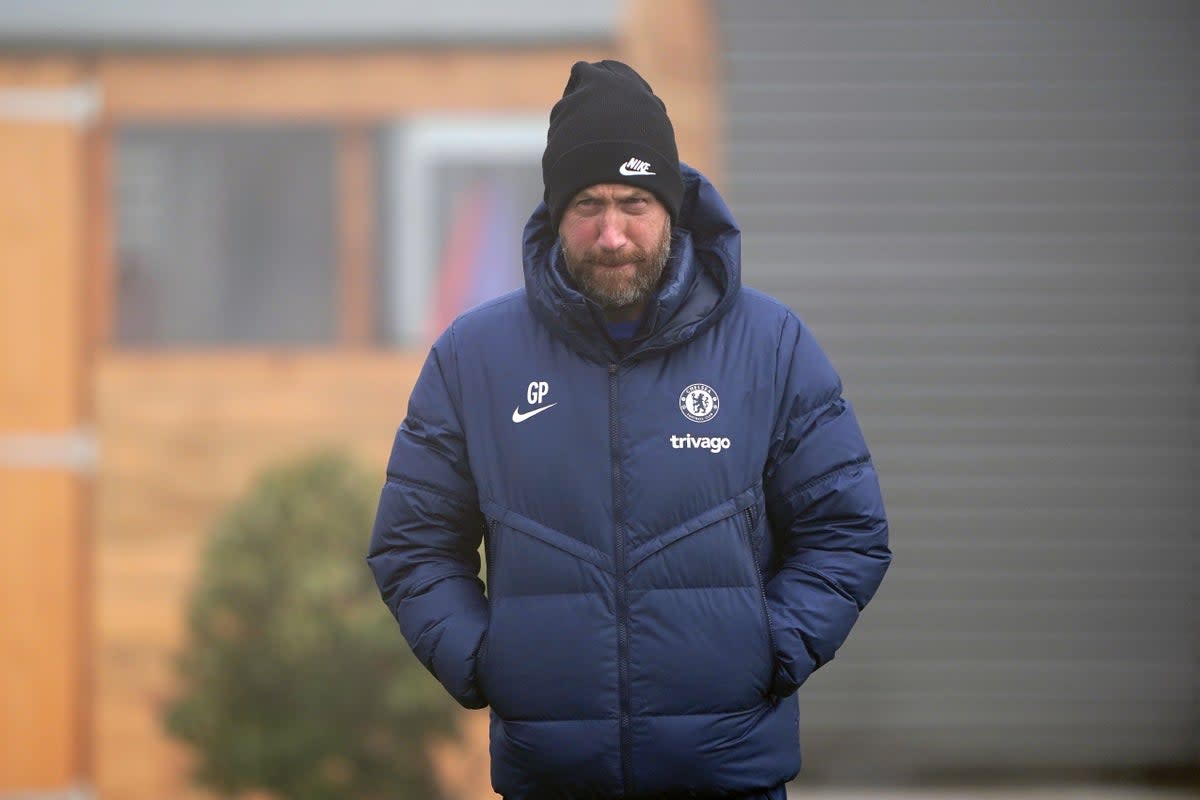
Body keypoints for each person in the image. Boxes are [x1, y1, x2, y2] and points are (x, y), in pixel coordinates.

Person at [368, 60, 892, 800]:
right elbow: (412, 543)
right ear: (555, 213)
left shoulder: (770, 346)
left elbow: (847, 530)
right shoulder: (474, 359)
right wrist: (489, 662)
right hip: (553, 781)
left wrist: (769, 650)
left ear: (672, 207)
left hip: (727, 777)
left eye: (634, 202)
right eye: (588, 204)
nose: (612, 234)